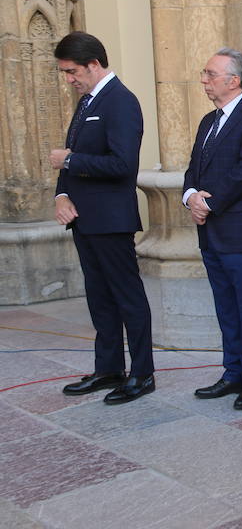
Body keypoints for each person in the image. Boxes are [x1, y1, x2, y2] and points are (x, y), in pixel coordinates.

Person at [50, 31, 155, 405]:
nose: (69, 79)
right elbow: (72, 155)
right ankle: (109, 368)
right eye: (65, 72)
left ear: (94, 64)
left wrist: (70, 161)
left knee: (128, 298)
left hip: (112, 219)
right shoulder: (87, 101)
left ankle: (142, 374)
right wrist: (62, 194)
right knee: (99, 299)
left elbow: (123, 164)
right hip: (84, 219)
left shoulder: (121, 102)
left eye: (72, 71)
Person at [184, 48, 242, 411]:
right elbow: (194, 168)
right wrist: (190, 195)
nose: (204, 80)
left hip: (241, 232)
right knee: (225, 306)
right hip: (210, 232)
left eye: (210, 74)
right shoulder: (208, 121)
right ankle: (232, 372)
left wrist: (208, 203)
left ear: (233, 80)